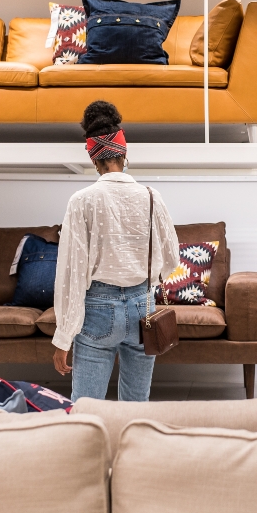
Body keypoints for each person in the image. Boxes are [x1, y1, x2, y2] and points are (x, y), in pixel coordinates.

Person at [52, 101, 179, 402]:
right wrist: (149, 280)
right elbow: (172, 256)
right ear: (124, 153)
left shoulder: (82, 201)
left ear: (94, 159)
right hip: (143, 308)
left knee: (87, 407)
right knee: (135, 407)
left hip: (97, 309)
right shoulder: (151, 196)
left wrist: (63, 336)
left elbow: (72, 273)